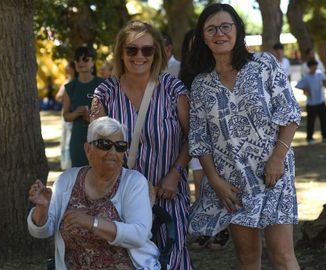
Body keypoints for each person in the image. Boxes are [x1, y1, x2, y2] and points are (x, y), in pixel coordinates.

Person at [187, 4, 301, 269]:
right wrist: (214, 181)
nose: (220, 33)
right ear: (203, 37)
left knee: (282, 255)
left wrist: (277, 158)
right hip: (233, 183)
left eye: (226, 26)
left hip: (274, 175)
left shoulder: (264, 64)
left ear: (237, 30)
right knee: (247, 259)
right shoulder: (201, 84)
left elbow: (290, 113)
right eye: (211, 29)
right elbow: (199, 139)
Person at [91, 20, 193, 269]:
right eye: (132, 50)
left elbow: (193, 136)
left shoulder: (173, 89)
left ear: (157, 52)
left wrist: (175, 173)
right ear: (121, 53)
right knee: (127, 261)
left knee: (173, 258)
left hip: (169, 192)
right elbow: (97, 148)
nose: (140, 56)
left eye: (147, 50)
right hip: (120, 197)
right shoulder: (105, 93)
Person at [27, 116, 160, 270]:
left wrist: (92, 223)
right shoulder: (67, 180)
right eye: (104, 144)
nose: (113, 152)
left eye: (120, 146)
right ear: (88, 149)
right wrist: (42, 208)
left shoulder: (133, 182)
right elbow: (42, 232)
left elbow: (138, 235)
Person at [178, 29, 231, 250]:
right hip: (194, 138)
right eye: (189, 45)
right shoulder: (183, 76)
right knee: (200, 184)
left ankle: (222, 231)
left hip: (217, 141)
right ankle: (206, 228)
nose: (193, 48)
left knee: (215, 183)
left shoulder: (215, 71)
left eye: (196, 43)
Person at [62, 47, 104, 167]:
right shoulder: (70, 87)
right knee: (79, 174)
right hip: (78, 138)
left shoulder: (102, 85)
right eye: (77, 60)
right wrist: (75, 113)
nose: (81, 63)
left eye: (85, 59)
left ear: (93, 62)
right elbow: (66, 116)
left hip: (99, 137)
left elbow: (112, 115)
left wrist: (91, 117)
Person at [295, 59, 326, 144]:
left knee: (325, 118)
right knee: (311, 121)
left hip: (320, 101)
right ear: (309, 67)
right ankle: (309, 138)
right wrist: (305, 89)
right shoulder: (306, 77)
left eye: (315, 66)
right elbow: (298, 85)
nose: (314, 68)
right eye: (313, 67)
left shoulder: (319, 74)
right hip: (311, 103)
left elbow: (325, 80)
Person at [56, 61, 77, 170]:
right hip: (67, 112)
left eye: (68, 67)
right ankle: (66, 164)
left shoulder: (75, 83)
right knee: (66, 137)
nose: (66, 68)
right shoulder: (67, 82)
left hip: (73, 115)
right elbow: (58, 96)